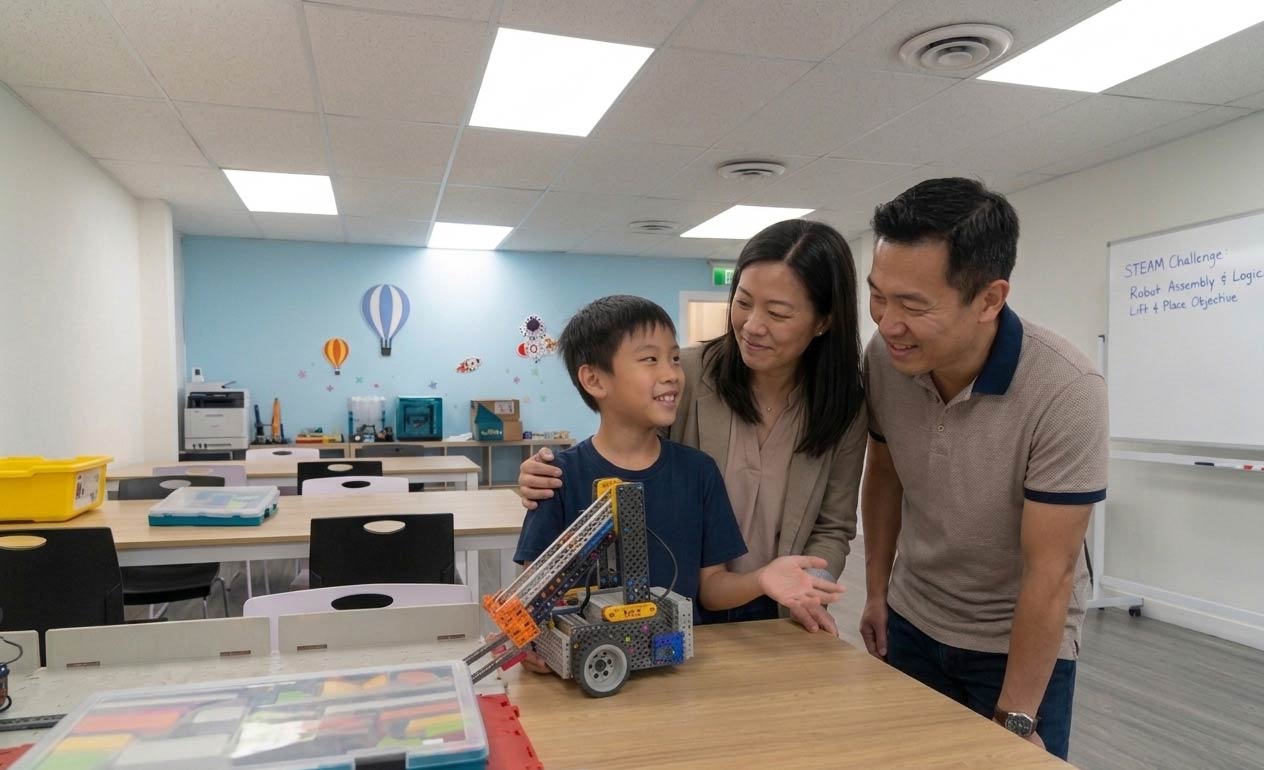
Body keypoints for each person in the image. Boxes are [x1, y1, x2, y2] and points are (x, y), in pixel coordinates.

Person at [519, 220, 868, 634]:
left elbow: (833, 525)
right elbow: (626, 449)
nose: (753, 325)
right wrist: (550, 473)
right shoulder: (684, 374)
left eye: (777, 313)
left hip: (773, 613)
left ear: (823, 321)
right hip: (679, 607)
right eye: (743, 302)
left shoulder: (843, 405)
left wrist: (808, 587)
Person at [859, 177, 1107, 760]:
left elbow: (1052, 572)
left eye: (914, 305)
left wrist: (1016, 717)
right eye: (878, 295)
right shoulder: (887, 359)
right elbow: (885, 472)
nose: (887, 323)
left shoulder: (1065, 391)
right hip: (913, 616)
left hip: (1013, 641)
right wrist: (875, 592)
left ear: (990, 300)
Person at [513, 295, 843, 674]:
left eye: (673, 357)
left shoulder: (698, 472)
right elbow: (530, 589)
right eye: (650, 359)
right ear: (594, 379)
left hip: (679, 672)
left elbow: (712, 589)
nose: (672, 373)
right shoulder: (557, 476)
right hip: (591, 678)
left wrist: (762, 579)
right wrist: (533, 640)